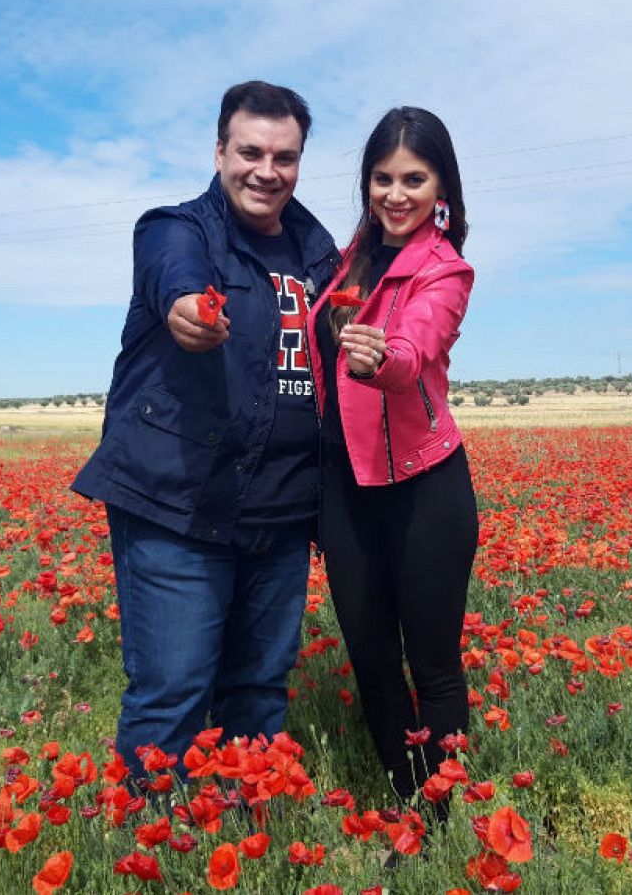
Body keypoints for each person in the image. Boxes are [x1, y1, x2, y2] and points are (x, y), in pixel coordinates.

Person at [71, 81, 340, 781]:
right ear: (219, 151)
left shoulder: (319, 255)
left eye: (284, 156)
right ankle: (159, 851)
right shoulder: (176, 228)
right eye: (250, 151)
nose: (266, 170)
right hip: (179, 508)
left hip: (282, 515)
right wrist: (188, 310)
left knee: (258, 692)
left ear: (300, 161)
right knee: (173, 697)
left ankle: (242, 834)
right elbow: (176, 280)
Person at [303, 107, 477, 808]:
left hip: (424, 490)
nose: (395, 194)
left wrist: (382, 360)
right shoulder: (351, 257)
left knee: (431, 667)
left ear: (442, 189)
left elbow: (417, 351)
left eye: (414, 179)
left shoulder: (447, 271)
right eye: (382, 178)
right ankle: (409, 805)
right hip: (347, 489)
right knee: (372, 662)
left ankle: (438, 813)